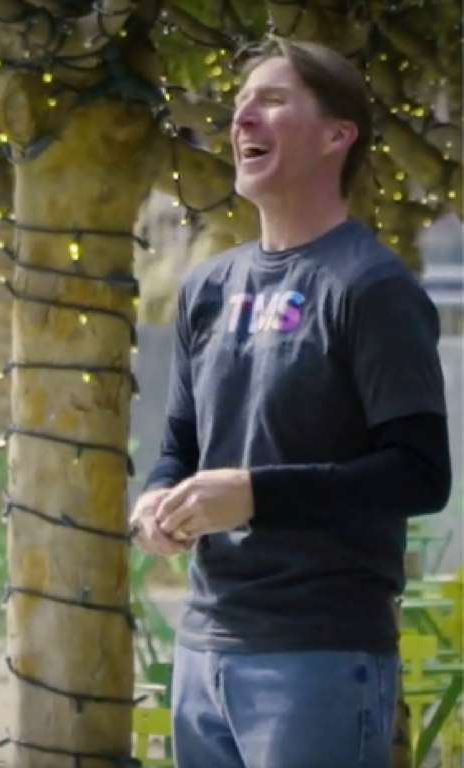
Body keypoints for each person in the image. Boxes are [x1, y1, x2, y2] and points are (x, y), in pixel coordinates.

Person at [131, 38, 451, 768]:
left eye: (271, 100)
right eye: (240, 103)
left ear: (338, 135)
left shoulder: (371, 287)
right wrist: (155, 498)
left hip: (320, 654)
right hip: (202, 645)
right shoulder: (206, 286)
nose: (242, 117)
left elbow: (419, 474)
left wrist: (254, 497)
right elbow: (182, 439)